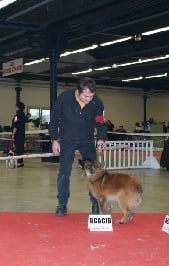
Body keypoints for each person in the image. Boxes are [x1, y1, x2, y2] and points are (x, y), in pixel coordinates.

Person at [49, 77, 107, 217]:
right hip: (67, 140)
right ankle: (62, 204)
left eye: (91, 96)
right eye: (86, 96)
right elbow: (54, 120)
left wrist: (100, 138)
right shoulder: (64, 98)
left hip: (87, 140)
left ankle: (95, 201)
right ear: (78, 91)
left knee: (94, 172)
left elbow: (100, 122)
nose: (89, 99)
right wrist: (54, 140)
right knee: (64, 173)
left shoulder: (96, 102)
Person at [11, 101, 26, 168]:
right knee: (21, 149)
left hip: (18, 134)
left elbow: (15, 126)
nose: (15, 107)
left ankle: (19, 163)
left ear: (18, 107)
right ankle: (20, 162)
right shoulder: (23, 115)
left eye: (16, 106)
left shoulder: (17, 116)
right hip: (22, 134)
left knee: (18, 149)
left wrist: (13, 135)